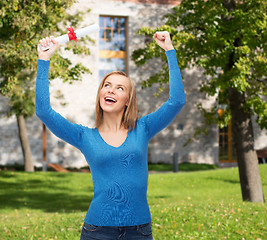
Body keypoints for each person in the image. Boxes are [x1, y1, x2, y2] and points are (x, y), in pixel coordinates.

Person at [36, 31, 186, 240]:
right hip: (97, 231)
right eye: (106, 85)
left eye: (119, 88)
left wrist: (169, 50)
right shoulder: (84, 136)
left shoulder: (143, 128)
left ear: (127, 100)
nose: (111, 90)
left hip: (139, 231)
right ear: (100, 94)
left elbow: (177, 100)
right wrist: (44, 60)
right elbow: (43, 111)